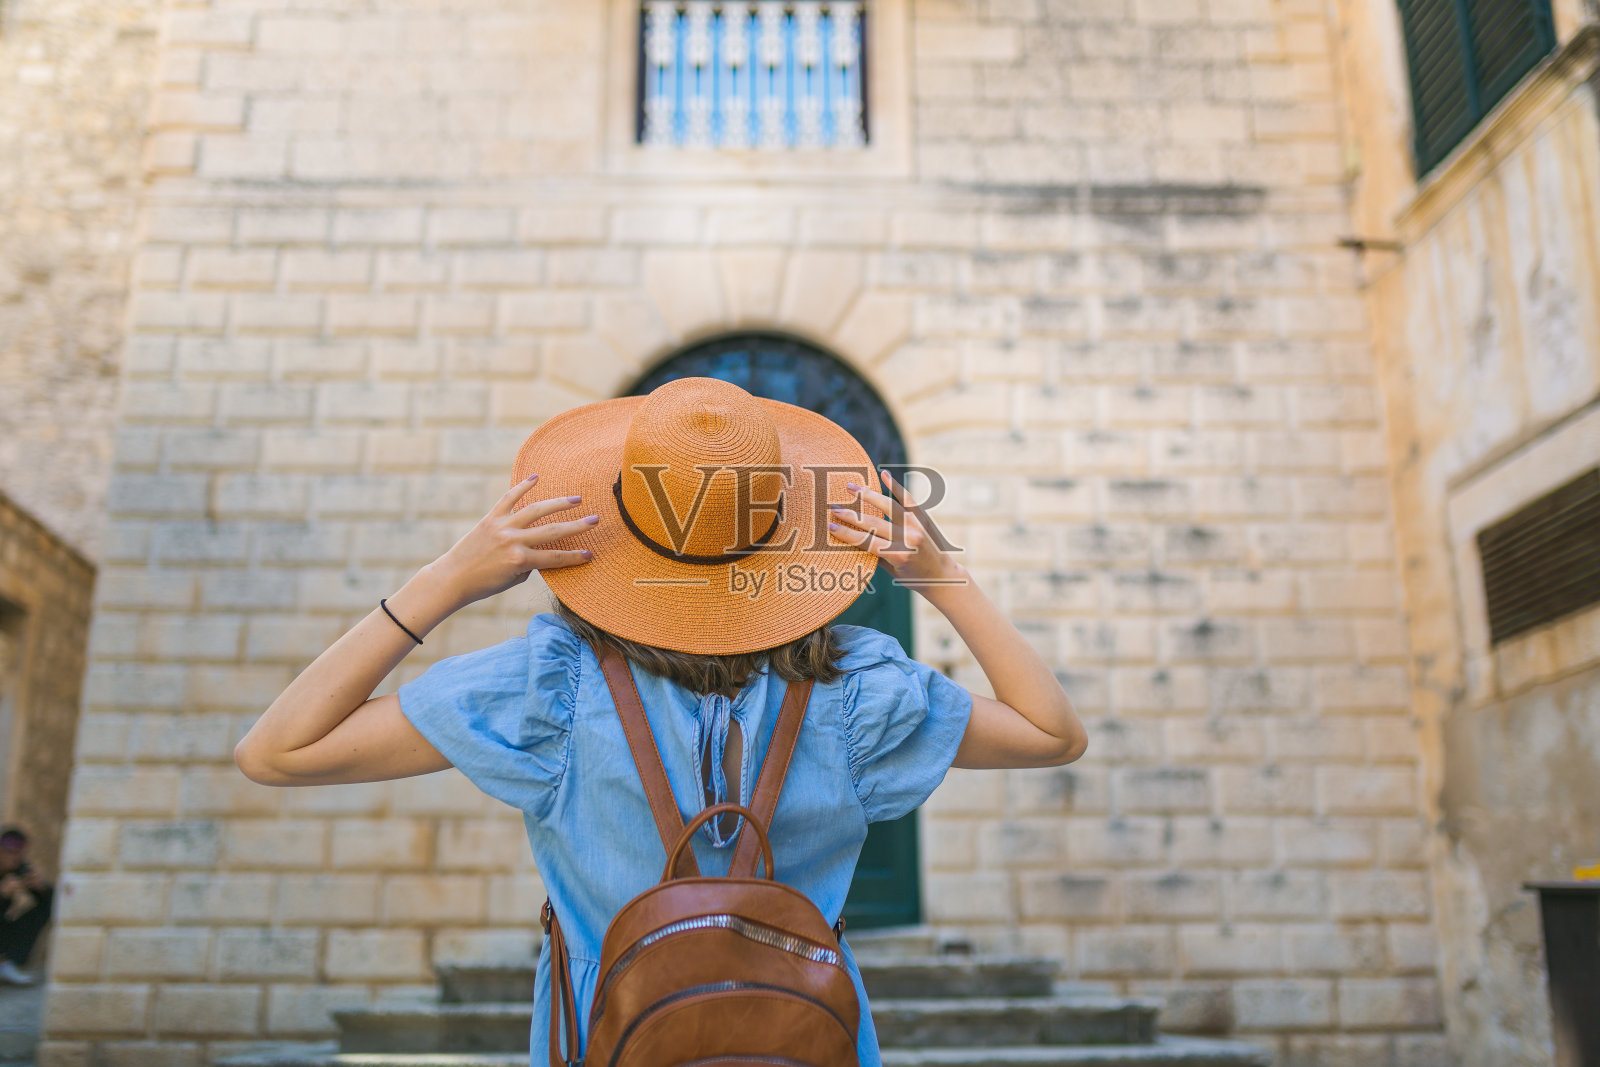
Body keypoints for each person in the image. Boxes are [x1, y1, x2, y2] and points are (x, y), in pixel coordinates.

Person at [235, 376, 1088, 1067]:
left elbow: (278, 749)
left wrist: (449, 577)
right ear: (782, 532)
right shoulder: (859, 694)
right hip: (805, 1047)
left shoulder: (548, 693)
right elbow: (1052, 731)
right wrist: (938, 574)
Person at [0, 826, 53, 986]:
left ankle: (8, 964)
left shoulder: (20, 868)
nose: (14, 857)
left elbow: (53, 904)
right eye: (9, 852)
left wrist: (42, 888)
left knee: (45, 908)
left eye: (18, 853)